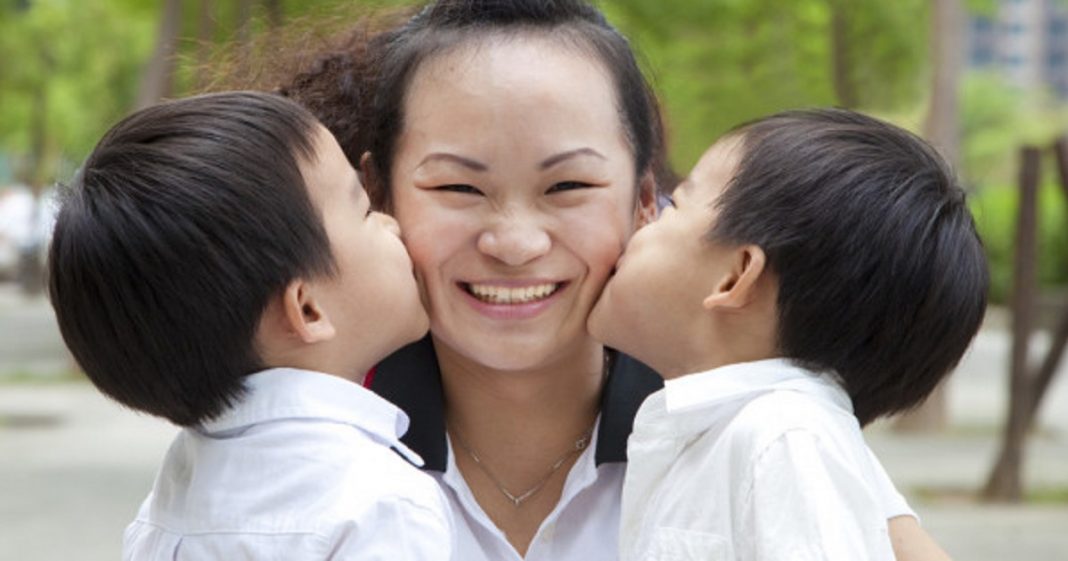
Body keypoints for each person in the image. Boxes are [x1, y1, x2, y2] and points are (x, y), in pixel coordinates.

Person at [279, 1, 958, 559]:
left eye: (569, 185)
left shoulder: (759, 435)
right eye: (458, 185)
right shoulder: (298, 441)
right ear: (379, 194)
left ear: (644, 203)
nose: (515, 243)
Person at [46, 91, 452, 560]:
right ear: (308, 309)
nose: (392, 225)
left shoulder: (166, 505)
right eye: (364, 211)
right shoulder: (380, 504)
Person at [588, 108, 988, 560]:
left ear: (735, 276)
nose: (641, 225)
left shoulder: (783, 439)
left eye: (674, 205)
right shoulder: (753, 433)